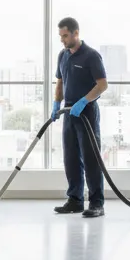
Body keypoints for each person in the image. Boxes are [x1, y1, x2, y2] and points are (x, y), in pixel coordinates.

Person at [52, 17, 109, 218]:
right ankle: (75, 200)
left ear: (76, 33)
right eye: (60, 36)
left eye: (65, 36)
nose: (62, 40)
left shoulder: (91, 56)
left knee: (91, 159)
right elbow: (59, 82)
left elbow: (102, 84)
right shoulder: (63, 55)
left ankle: (96, 204)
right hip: (69, 112)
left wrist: (84, 101)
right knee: (71, 158)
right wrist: (56, 103)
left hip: (86, 113)